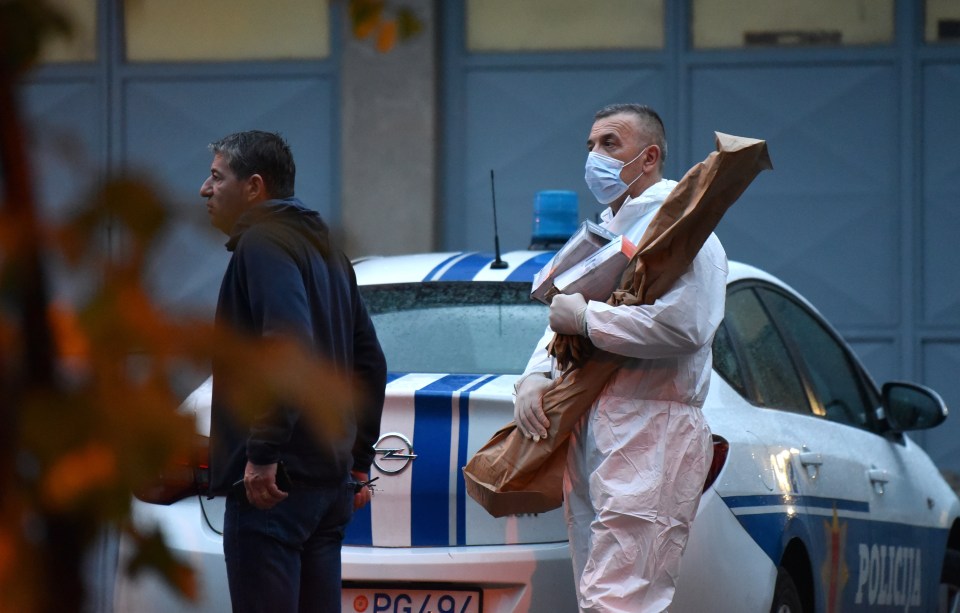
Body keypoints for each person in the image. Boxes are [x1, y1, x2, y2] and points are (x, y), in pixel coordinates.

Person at [513, 104, 727, 612]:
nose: (595, 157)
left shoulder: (685, 230)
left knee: (620, 599)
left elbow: (686, 326)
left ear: (649, 156)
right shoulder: (604, 235)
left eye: (610, 144)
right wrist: (534, 376)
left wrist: (588, 321)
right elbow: (561, 322)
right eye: (590, 146)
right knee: (599, 594)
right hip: (594, 425)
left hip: (652, 427)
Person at [200, 130, 387, 613]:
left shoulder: (262, 242)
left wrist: (263, 452)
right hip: (327, 490)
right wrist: (359, 460)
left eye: (217, 176)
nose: (205, 188)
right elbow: (370, 362)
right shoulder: (328, 253)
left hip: (274, 490)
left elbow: (287, 346)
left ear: (254, 187)